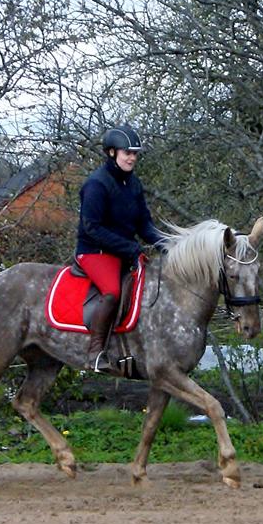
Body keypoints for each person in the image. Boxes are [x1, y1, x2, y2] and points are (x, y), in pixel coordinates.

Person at [75, 123, 163, 373]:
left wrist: (167, 244)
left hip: (123, 252)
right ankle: (95, 352)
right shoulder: (96, 185)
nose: (132, 157)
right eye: (128, 153)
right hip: (94, 252)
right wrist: (131, 249)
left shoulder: (133, 184)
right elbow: (92, 228)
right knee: (112, 292)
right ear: (112, 153)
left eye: (135, 153)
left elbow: (145, 225)